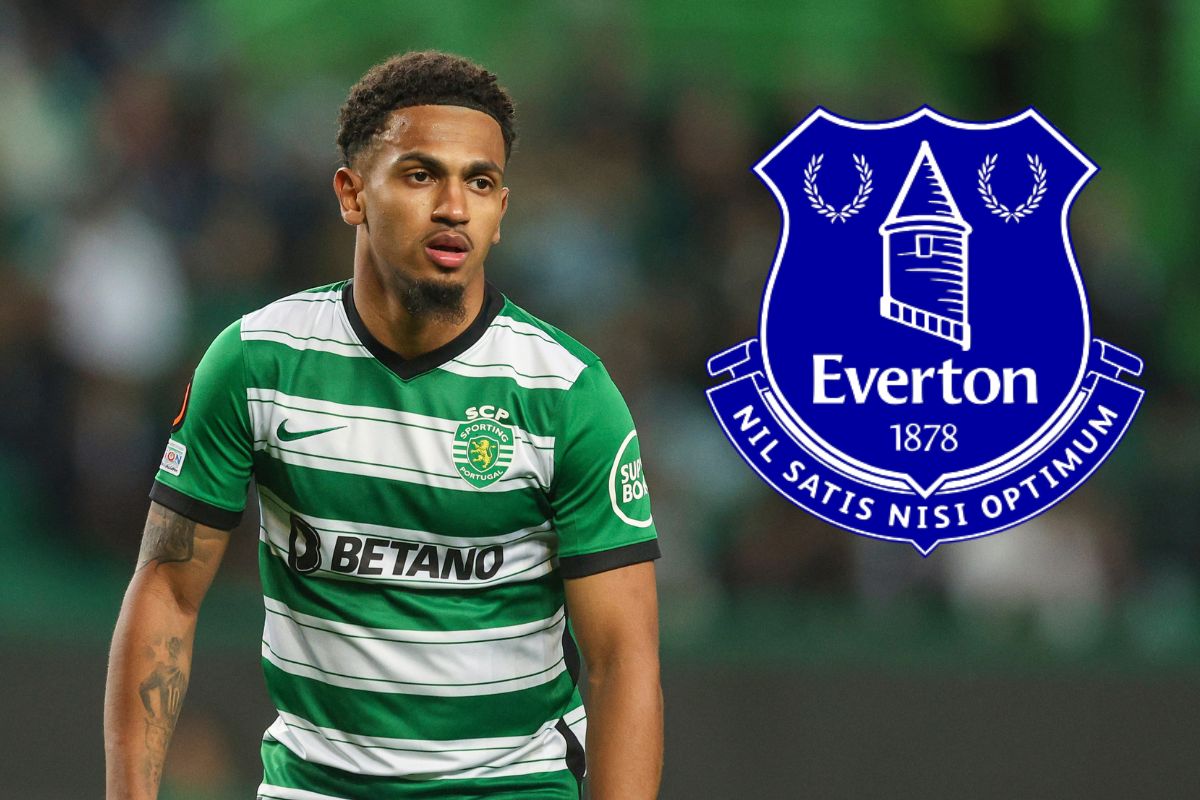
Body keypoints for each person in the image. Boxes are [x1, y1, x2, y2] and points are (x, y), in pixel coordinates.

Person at [104, 51, 663, 800]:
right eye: (421, 174)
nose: (454, 207)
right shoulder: (257, 363)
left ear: (502, 212)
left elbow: (623, 659)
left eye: (481, 182)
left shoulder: (568, 393)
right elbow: (167, 593)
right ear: (352, 193)